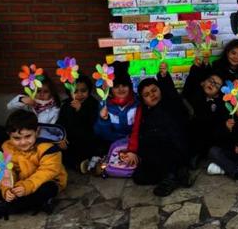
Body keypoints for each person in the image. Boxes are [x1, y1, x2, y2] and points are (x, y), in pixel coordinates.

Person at [121, 64, 191, 197]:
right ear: (143, 100)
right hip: (155, 155)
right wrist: (133, 151)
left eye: (154, 91)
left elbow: (171, 93)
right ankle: (177, 174)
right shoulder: (144, 113)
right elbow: (137, 133)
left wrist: (163, 77)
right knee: (139, 177)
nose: (152, 95)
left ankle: (171, 175)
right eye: (147, 95)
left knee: (158, 135)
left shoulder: (169, 104)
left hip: (175, 147)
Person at [0, 110, 67, 220]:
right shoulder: (6, 147)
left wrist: (26, 186)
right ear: (9, 135)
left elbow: (48, 171)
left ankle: (10, 207)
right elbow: (7, 170)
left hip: (48, 181)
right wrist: (7, 190)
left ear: (36, 132)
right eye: (17, 138)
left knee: (47, 189)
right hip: (20, 183)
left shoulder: (49, 148)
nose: (23, 142)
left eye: (28, 136)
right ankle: (37, 203)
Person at [183, 56, 226, 167]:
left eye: (216, 85)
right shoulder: (196, 94)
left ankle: (202, 155)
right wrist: (197, 68)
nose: (212, 84)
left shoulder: (218, 103)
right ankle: (193, 155)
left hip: (209, 135)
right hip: (192, 130)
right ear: (203, 83)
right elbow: (190, 83)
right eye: (211, 81)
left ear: (218, 93)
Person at [56, 74, 99, 171]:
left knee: (87, 150)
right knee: (59, 150)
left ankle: (82, 164)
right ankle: (75, 164)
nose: (79, 94)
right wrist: (61, 138)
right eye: (75, 91)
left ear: (89, 90)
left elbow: (92, 122)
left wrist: (81, 110)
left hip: (86, 138)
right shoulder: (66, 105)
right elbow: (60, 123)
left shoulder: (93, 103)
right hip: (69, 139)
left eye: (83, 91)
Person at [93, 61, 138, 154]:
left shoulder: (137, 102)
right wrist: (103, 120)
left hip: (135, 144)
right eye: (116, 86)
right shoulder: (104, 105)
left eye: (124, 85)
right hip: (112, 144)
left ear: (129, 87)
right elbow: (99, 133)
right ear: (111, 89)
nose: (121, 89)